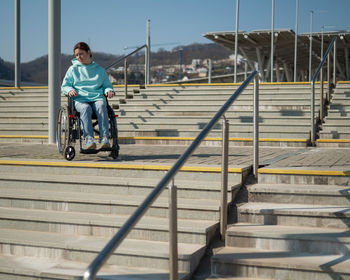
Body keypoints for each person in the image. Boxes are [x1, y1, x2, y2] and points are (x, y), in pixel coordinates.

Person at [61, 42, 115, 150]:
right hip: (80, 99)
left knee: (101, 105)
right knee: (85, 108)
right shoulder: (73, 69)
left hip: (97, 98)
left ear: (88, 52)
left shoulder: (100, 70)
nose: (78, 57)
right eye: (76, 55)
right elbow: (65, 85)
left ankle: (104, 138)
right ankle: (89, 139)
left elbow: (107, 85)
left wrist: (109, 90)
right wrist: (70, 90)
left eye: (81, 54)